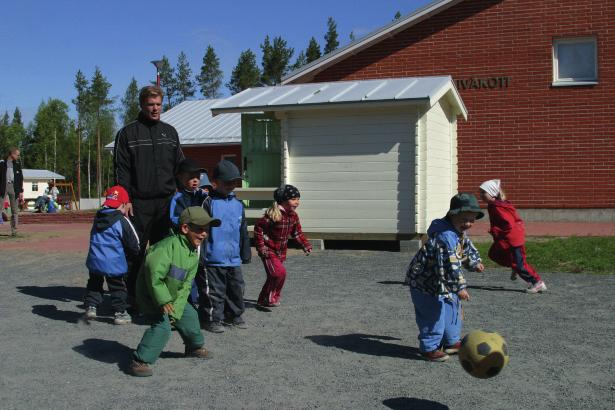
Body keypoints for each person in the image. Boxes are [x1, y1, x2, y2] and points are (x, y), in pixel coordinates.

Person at [113, 85, 184, 299]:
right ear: (142, 105)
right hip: (138, 205)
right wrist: (124, 199)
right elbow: (121, 170)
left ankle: (165, 296)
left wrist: (193, 188)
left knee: (168, 252)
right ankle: (131, 298)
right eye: (150, 104)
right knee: (134, 252)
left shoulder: (170, 132)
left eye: (158, 104)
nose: (155, 109)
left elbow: (180, 166)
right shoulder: (127, 134)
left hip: (166, 204)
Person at [130, 207, 220, 377]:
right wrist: (164, 301)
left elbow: (186, 284)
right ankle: (140, 360)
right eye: (200, 229)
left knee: (190, 316)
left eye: (206, 230)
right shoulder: (165, 248)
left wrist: (177, 307)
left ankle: (194, 347)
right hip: (153, 298)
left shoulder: (192, 252)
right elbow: (153, 277)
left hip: (171, 297)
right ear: (185, 228)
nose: (204, 234)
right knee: (162, 327)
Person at [406, 193, 485, 362]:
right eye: (464, 219)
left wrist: (474, 261)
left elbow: (466, 249)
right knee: (432, 314)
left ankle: (451, 342)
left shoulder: (457, 232)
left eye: (472, 220)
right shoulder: (445, 237)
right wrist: (460, 287)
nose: (468, 224)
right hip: (426, 283)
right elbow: (449, 265)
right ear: (452, 215)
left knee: (451, 310)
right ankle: (429, 348)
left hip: (443, 283)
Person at [196, 160, 251, 333]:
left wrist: (245, 253)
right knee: (214, 292)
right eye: (227, 182)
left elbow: (242, 230)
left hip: (233, 258)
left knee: (236, 289)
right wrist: (201, 256)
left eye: (234, 182)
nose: (231, 185)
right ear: (215, 182)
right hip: (212, 258)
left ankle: (234, 315)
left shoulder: (238, 205)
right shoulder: (208, 202)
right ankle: (211, 319)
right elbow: (200, 229)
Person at [84, 186, 140, 324]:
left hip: (95, 259)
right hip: (113, 261)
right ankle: (120, 313)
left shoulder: (98, 217)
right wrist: (135, 253)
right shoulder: (121, 220)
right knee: (117, 287)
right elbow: (134, 243)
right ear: (123, 204)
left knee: (94, 283)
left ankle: (91, 306)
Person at [479, 179, 547, 294]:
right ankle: (515, 267)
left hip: (512, 239)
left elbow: (508, 224)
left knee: (520, 264)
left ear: (491, 193)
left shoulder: (497, 207)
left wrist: (495, 231)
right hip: (508, 238)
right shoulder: (495, 205)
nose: (480, 195)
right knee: (494, 254)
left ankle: (536, 282)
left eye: (483, 193)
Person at [254, 184, 312, 310]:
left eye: (298, 199)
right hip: (268, 251)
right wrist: (261, 247)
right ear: (284, 200)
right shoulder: (273, 214)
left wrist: (305, 245)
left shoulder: (293, 216)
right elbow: (258, 228)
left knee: (273, 276)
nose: (297, 202)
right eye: (294, 199)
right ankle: (272, 298)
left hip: (281, 252)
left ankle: (262, 300)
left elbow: (297, 233)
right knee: (280, 273)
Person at [169, 158, 208, 228]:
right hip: (185, 232)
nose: (195, 180)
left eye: (198, 177)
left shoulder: (203, 195)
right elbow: (174, 218)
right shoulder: (178, 198)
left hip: (201, 231)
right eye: (191, 177)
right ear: (180, 178)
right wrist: (189, 222)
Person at [0, 147, 23, 236]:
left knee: (15, 211)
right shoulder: (2, 163)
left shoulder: (17, 164)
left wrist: (21, 191)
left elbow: (20, 178)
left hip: (14, 188)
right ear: (12, 154)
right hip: (3, 187)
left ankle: (14, 231)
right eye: (17, 155)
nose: (18, 156)